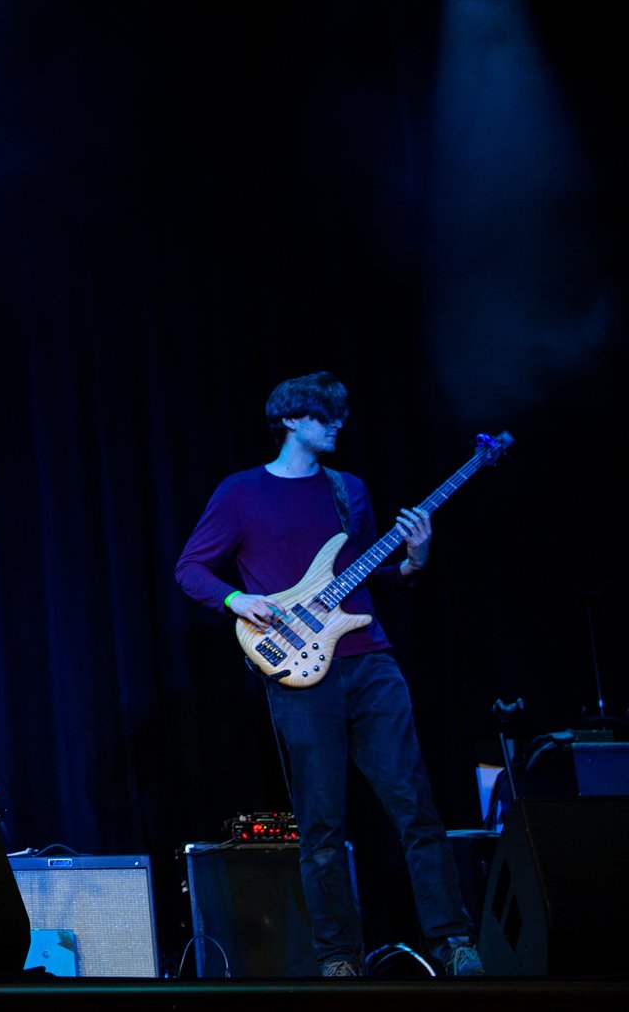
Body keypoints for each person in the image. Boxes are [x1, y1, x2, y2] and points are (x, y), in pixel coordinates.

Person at [174, 373, 480, 978]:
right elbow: (190, 568)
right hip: (301, 671)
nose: (338, 422)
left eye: (339, 413)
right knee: (322, 824)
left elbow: (363, 575)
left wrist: (414, 561)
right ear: (291, 419)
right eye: (324, 414)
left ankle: (454, 941)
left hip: (369, 658)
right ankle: (338, 957)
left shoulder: (349, 490)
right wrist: (238, 600)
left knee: (415, 805)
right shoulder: (241, 492)